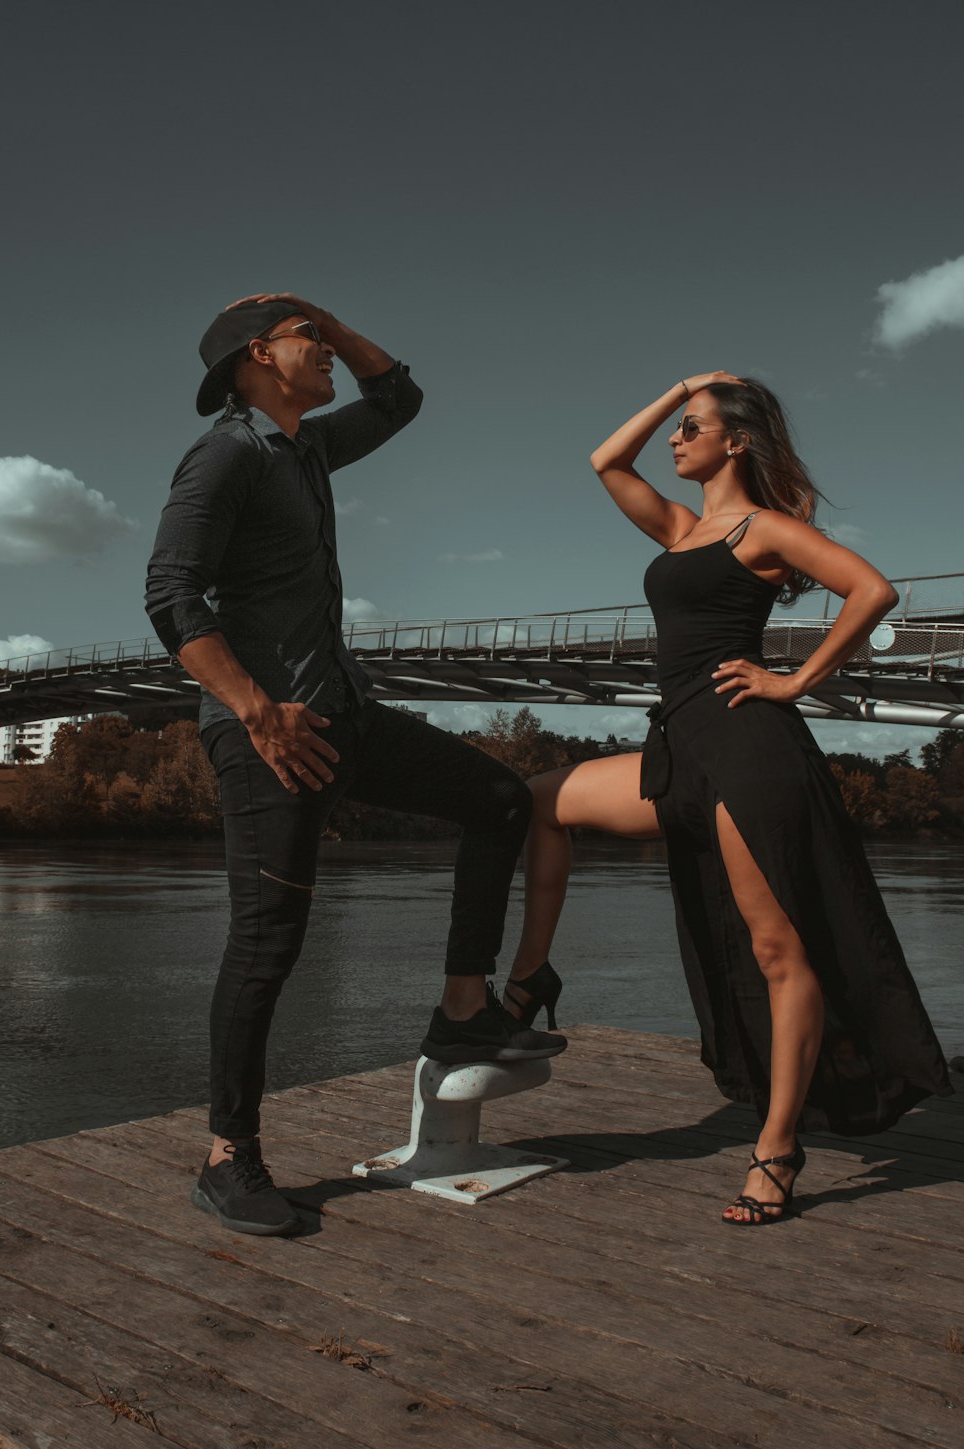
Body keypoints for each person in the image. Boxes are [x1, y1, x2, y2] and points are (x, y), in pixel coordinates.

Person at [145, 291, 565, 1236]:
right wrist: (255, 710)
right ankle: (228, 1158)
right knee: (267, 945)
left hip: (340, 714)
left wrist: (327, 319)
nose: (329, 353)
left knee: (498, 798)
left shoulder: (307, 449)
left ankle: (465, 1007)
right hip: (267, 731)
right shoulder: (226, 453)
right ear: (259, 354)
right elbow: (171, 594)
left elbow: (400, 399)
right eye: (310, 342)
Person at [504, 371, 952, 1224]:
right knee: (536, 799)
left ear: (734, 441)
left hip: (750, 750)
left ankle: (777, 1148)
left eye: (692, 425)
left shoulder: (765, 529)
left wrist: (794, 682)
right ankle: (529, 979)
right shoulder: (681, 527)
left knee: (779, 949)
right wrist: (682, 386)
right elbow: (606, 459)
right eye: (676, 426)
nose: (676, 437)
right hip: (678, 746)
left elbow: (873, 590)